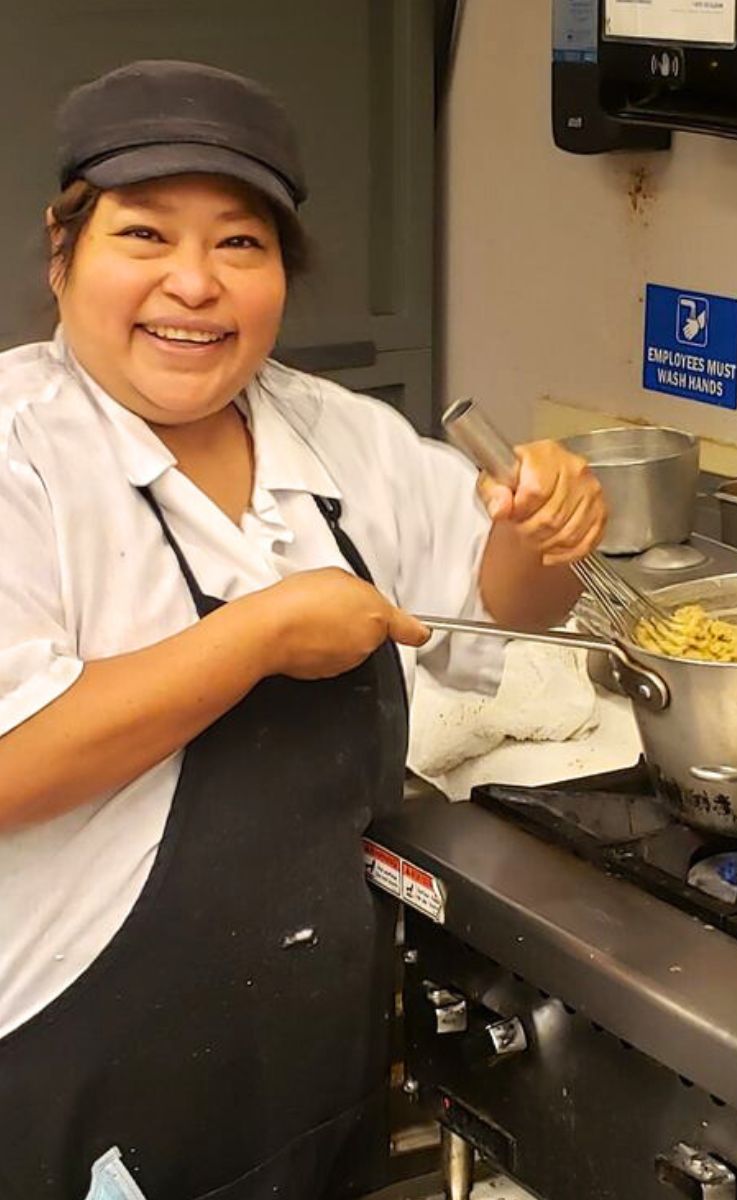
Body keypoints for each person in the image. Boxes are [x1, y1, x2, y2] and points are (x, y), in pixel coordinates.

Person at [0, 60, 606, 1200]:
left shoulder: (337, 436)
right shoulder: (18, 455)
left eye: (240, 243)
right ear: (62, 247)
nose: (194, 284)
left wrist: (541, 529)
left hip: (309, 1049)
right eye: (143, 235)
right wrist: (257, 637)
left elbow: (502, 614)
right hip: (58, 1059)